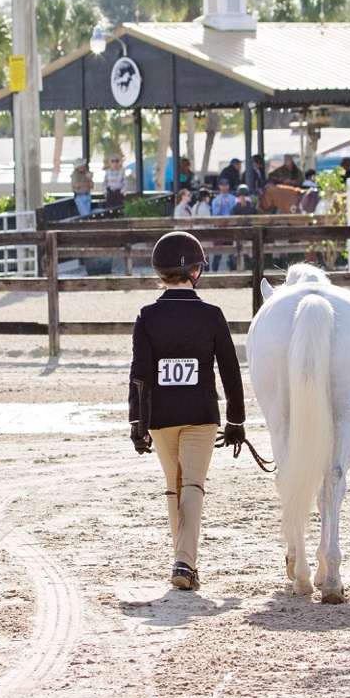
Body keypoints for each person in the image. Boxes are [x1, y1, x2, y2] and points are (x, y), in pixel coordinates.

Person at [129, 231, 246, 591]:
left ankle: (182, 559)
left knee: (173, 487)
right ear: (196, 272)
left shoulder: (147, 316)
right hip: (201, 414)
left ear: (159, 272)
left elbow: (140, 374)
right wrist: (236, 420)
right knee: (193, 484)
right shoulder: (211, 315)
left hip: (161, 417)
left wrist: (138, 420)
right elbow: (230, 370)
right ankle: (184, 562)